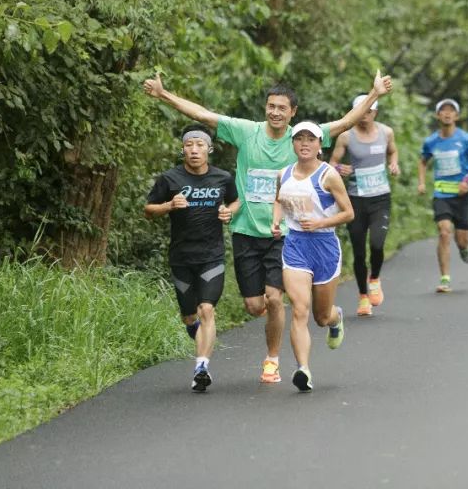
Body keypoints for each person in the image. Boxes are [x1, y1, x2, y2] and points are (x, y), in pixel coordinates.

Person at [143, 70, 391, 384]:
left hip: (284, 234)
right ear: (266, 108)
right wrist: (164, 95)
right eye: (271, 106)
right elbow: (203, 115)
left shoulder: (303, 138)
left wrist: (374, 94)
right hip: (247, 230)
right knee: (253, 305)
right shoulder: (246, 132)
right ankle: (286, 323)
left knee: (275, 298)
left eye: (282, 108)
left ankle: (272, 360)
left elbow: (344, 122)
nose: (275, 112)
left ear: (293, 113)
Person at [144, 125, 240, 392]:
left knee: (206, 309)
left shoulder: (222, 177)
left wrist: (228, 212)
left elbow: (235, 201)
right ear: (183, 149)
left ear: (209, 149)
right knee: (189, 316)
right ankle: (197, 335)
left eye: (200, 145)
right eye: (189, 145)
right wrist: (168, 205)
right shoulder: (169, 179)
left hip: (212, 256)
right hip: (181, 257)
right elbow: (148, 210)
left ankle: (202, 367)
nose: (194, 150)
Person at [271, 122, 354, 392]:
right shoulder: (283, 174)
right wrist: (276, 222)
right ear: (292, 144)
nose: (304, 144)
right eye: (299, 139)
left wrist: (319, 223)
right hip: (295, 245)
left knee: (320, 316)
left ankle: (335, 318)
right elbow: (278, 200)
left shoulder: (328, 175)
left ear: (320, 145)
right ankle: (303, 369)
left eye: (311, 139)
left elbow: (348, 213)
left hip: (325, 246)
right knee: (299, 309)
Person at [329, 95, 399, 317]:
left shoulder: (386, 133)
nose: (364, 114)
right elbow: (332, 164)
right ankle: (363, 297)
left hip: (380, 198)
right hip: (356, 200)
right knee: (359, 252)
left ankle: (375, 278)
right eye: (360, 110)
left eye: (368, 110)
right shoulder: (346, 137)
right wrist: (340, 169)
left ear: (375, 112)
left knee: (377, 243)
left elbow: (393, 151)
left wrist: (394, 163)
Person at [418, 99, 468, 293]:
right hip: (442, 195)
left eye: (451, 111)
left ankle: (464, 248)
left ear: (456, 116)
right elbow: (423, 161)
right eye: (443, 110)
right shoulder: (431, 141)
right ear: (437, 115)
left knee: (462, 239)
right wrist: (422, 182)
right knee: (444, 231)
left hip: (462, 196)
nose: (447, 113)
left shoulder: (466, 139)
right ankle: (445, 278)